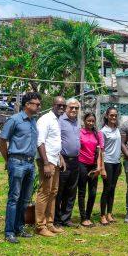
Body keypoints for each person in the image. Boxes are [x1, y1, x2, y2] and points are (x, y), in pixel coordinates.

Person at [0, 92, 42, 244]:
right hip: (17, 162)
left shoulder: (33, 121)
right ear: (27, 104)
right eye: (36, 104)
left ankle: (19, 227)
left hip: (30, 164)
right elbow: (2, 140)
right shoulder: (15, 120)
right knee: (14, 198)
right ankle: (9, 231)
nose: (38, 106)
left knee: (25, 199)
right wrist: (8, 159)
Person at [35, 96, 66, 237]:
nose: (61, 107)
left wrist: (60, 157)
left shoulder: (57, 120)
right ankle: (40, 226)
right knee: (44, 192)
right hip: (46, 161)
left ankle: (49, 223)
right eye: (59, 105)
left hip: (55, 160)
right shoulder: (45, 119)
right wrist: (46, 163)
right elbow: (40, 142)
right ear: (53, 105)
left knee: (53, 192)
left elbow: (53, 142)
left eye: (63, 105)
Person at [54, 98, 81, 228]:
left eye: (76, 108)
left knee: (71, 191)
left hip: (76, 160)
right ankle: (57, 219)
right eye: (71, 107)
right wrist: (59, 157)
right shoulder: (60, 121)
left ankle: (66, 218)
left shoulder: (78, 122)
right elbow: (55, 140)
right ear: (66, 108)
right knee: (60, 190)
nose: (74, 110)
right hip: (63, 160)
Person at [77, 113, 105, 227]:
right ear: (84, 121)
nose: (90, 123)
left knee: (93, 193)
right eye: (88, 121)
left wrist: (99, 168)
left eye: (93, 121)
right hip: (82, 164)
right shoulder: (79, 132)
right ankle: (83, 218)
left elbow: (99, 153)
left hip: (93, 165)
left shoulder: (98, 134)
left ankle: (88, 216)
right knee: (82, 192)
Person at [100, 107, 121, 225]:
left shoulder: (117, 129)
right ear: (107, 116)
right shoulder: (103, 131)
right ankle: (102, 215)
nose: (113, 117)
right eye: (111, 115)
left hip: (117, 163)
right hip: (107, 162)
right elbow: (101, 150)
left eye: (115, 115)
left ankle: (109, 213)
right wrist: (102, 167)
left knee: (113, 189)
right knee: (106, 189)